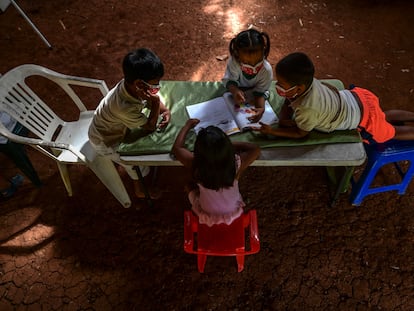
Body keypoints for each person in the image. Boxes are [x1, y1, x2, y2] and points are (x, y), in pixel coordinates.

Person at [253, 51, 414, 143]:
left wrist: (273, 131)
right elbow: (288, 101)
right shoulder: (309, 83)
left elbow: (301, 134)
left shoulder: (307, 109)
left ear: (299, 88)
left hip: (363, 118)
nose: (277, 87)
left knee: (392, 131)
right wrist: (283, 117)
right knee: (382, 115)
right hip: (359, 99)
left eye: (281, 84)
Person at [88, 48, 171, 199]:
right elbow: (150, 126)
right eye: (154, 86)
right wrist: (157, 101)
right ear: (139, 84)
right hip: (106, 140)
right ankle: (139, 189)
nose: (156, 89)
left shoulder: (131, 86)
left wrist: (164, 111)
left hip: (112, 126)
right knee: (135, 161)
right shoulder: (124, 106)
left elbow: (149, 100)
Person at [172, 119, 260, 226]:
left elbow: (177, 148)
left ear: (198, 151)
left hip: (206, 213)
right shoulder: (236, 165)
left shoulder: (196, 166)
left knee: (188, 185)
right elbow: (255, 149)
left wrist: (187, 126)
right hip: (233, 213)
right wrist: (226, 146)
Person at [222, 28, 273, 123]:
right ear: (237, 54)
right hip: (238, 88)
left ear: (264, 51)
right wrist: (235, 91)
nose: (253, 66)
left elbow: (260, 92)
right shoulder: (233, 62)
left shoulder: (266, 70)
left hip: (256, 91)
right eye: (246, 62)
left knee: (261, 97)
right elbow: (230, 81)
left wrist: (260, 108)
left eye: (258, 61)